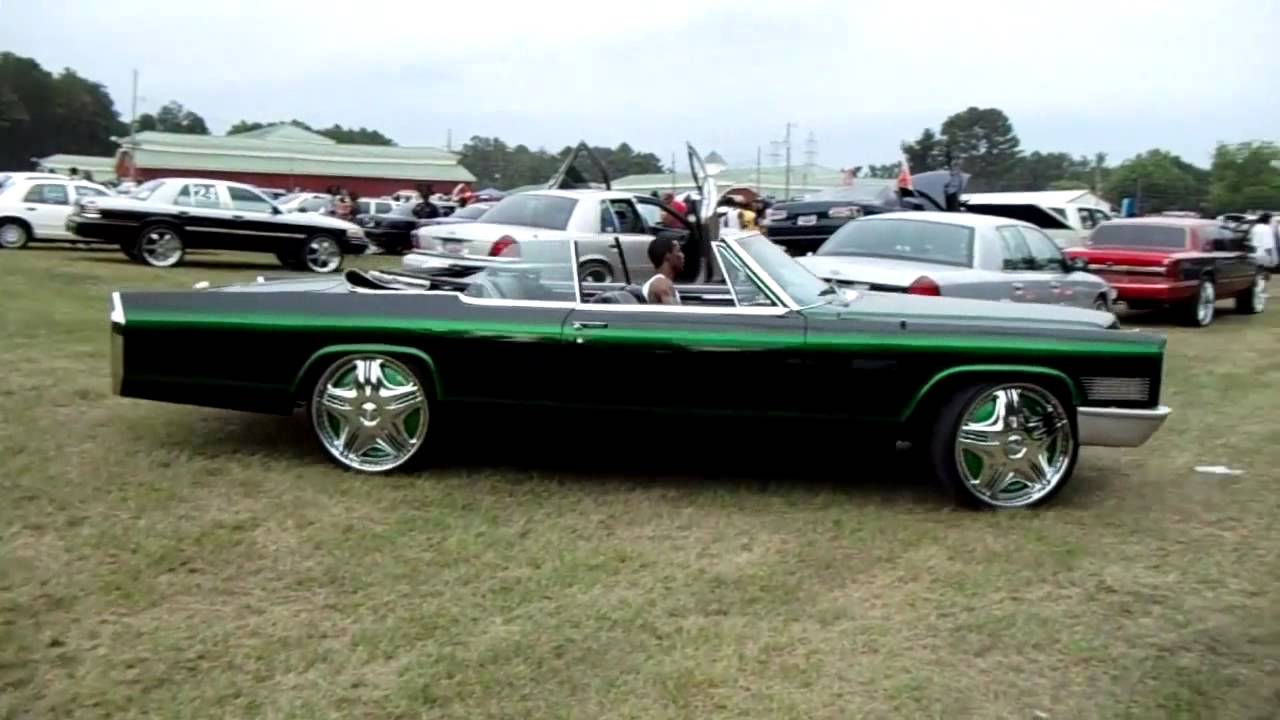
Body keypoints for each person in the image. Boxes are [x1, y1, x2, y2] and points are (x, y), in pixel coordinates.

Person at [643, 236, 684, 305]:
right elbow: (675, 314)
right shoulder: (662, 285)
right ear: (667, 256)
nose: (682, 255)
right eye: (678, 251)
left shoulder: (660, 282)